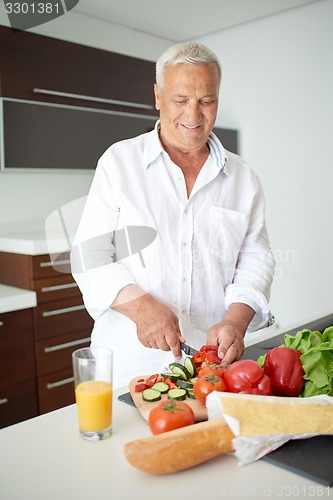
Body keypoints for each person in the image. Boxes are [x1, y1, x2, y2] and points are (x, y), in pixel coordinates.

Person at [71, 42, 275, 388]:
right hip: (128, 365)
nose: (193, 116)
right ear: (158, 97)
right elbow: (89, 255)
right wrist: (141, 307)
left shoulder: (244, 178)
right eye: (180, 100)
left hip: (210, 367)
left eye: (206, 101)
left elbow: (256, 258)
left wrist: (236, 321)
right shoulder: (119, 163)